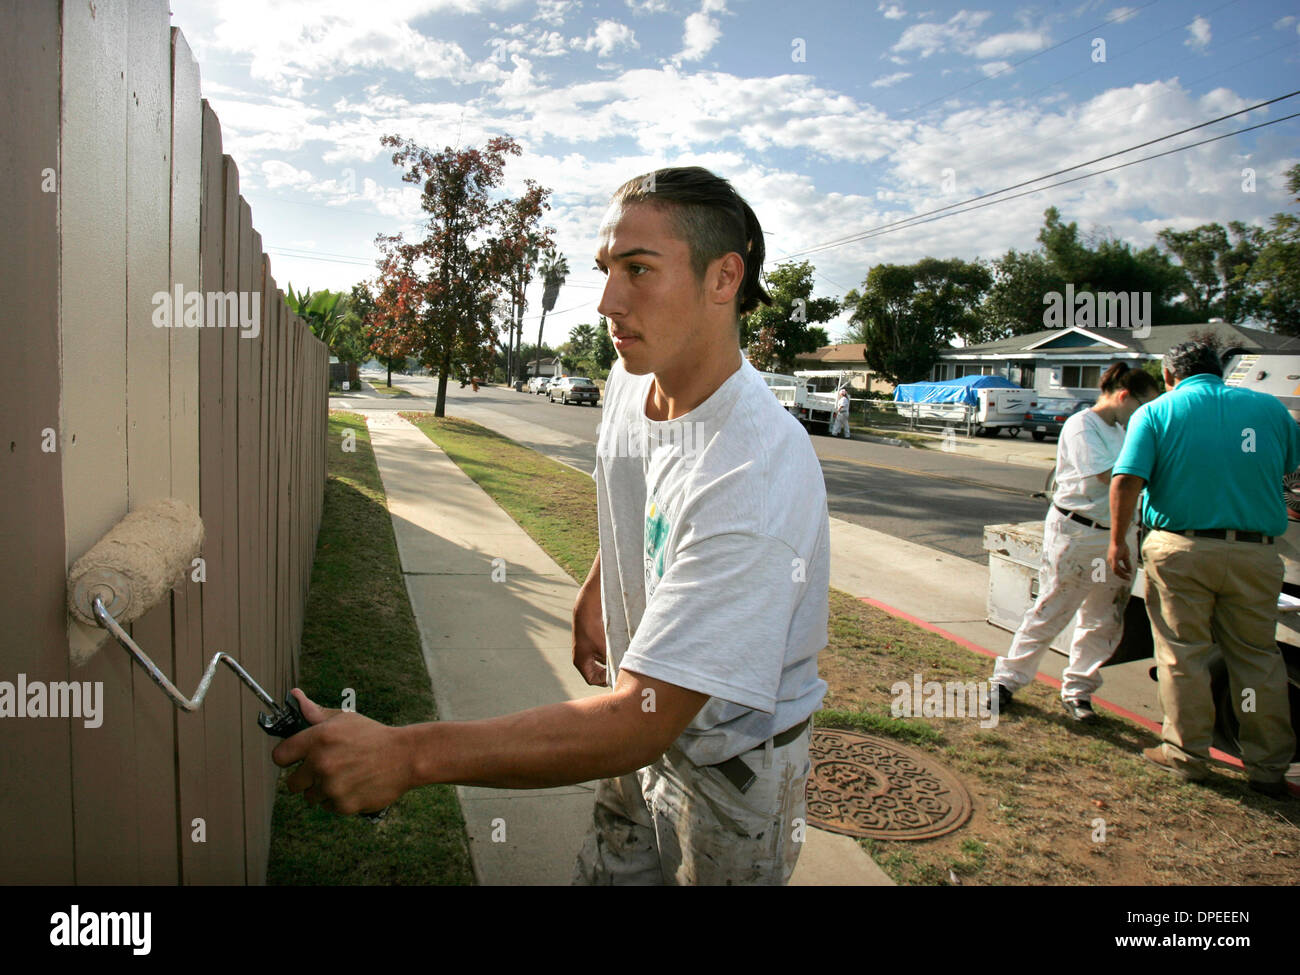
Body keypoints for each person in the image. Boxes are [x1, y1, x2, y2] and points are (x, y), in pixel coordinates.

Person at [270, 166, 832, 883]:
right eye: (606, 269)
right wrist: (600, 582)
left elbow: (638, 721)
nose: (606, 301)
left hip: (732, 765)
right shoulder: (634, 379)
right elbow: (637, 494)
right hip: (639, 726)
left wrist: (406, 755)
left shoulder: (754, 474)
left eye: (638, 270)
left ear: (724, 278)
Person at [1109, 341, 1298, 798]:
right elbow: (1289, 469)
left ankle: (1186, 755)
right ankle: (1268, 767)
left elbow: (1127, 478)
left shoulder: (1157, 412)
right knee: (1256, 657)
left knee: (1183, 653)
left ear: (1171, 373)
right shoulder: (1271, 410)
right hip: (1256, 552)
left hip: (1182, 549)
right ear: (1220, 371)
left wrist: (1117, 540)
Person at [991, 363, 1160, 721]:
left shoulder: (1122, 429)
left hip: (1118, 534)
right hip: (1079, 532)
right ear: (1124, 396)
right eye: (1143, 406)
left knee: (1104, 618)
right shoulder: (1083, 425)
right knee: (1052, 609)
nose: (1144, 416)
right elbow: (1106, 476)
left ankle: (1079, 691)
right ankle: (1007, 681)